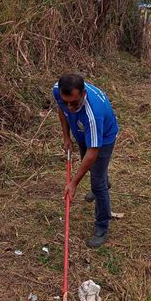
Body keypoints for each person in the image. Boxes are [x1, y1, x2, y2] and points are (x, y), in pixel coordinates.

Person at [52, 74, 118, 248]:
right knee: (92, 168)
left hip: (103, 137)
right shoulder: (58, 91)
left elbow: (93, 152)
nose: (70, 107)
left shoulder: (93, 114)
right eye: (66, 102)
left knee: (97, 183)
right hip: (81, 130)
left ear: (83, 94)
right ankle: (102, 176)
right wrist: (66, 136)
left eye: (74, 103)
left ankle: (102, 226)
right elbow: (62, 110)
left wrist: (73, 183)